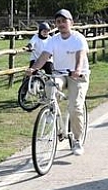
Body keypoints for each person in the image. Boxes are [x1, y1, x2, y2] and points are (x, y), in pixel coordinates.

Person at [26, 9, 90, 156]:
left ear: (71, 23)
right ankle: (50, 112)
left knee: (75, 107)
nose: (61, 24)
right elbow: (44, 56)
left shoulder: (78, 38)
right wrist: (33, 68)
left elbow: (80, 55)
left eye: (64, 21)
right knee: (50, 84)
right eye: (58, 22)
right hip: (60, 74)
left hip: (78, 76)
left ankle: (77, 140)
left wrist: (77, 70)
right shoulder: (53, 39)